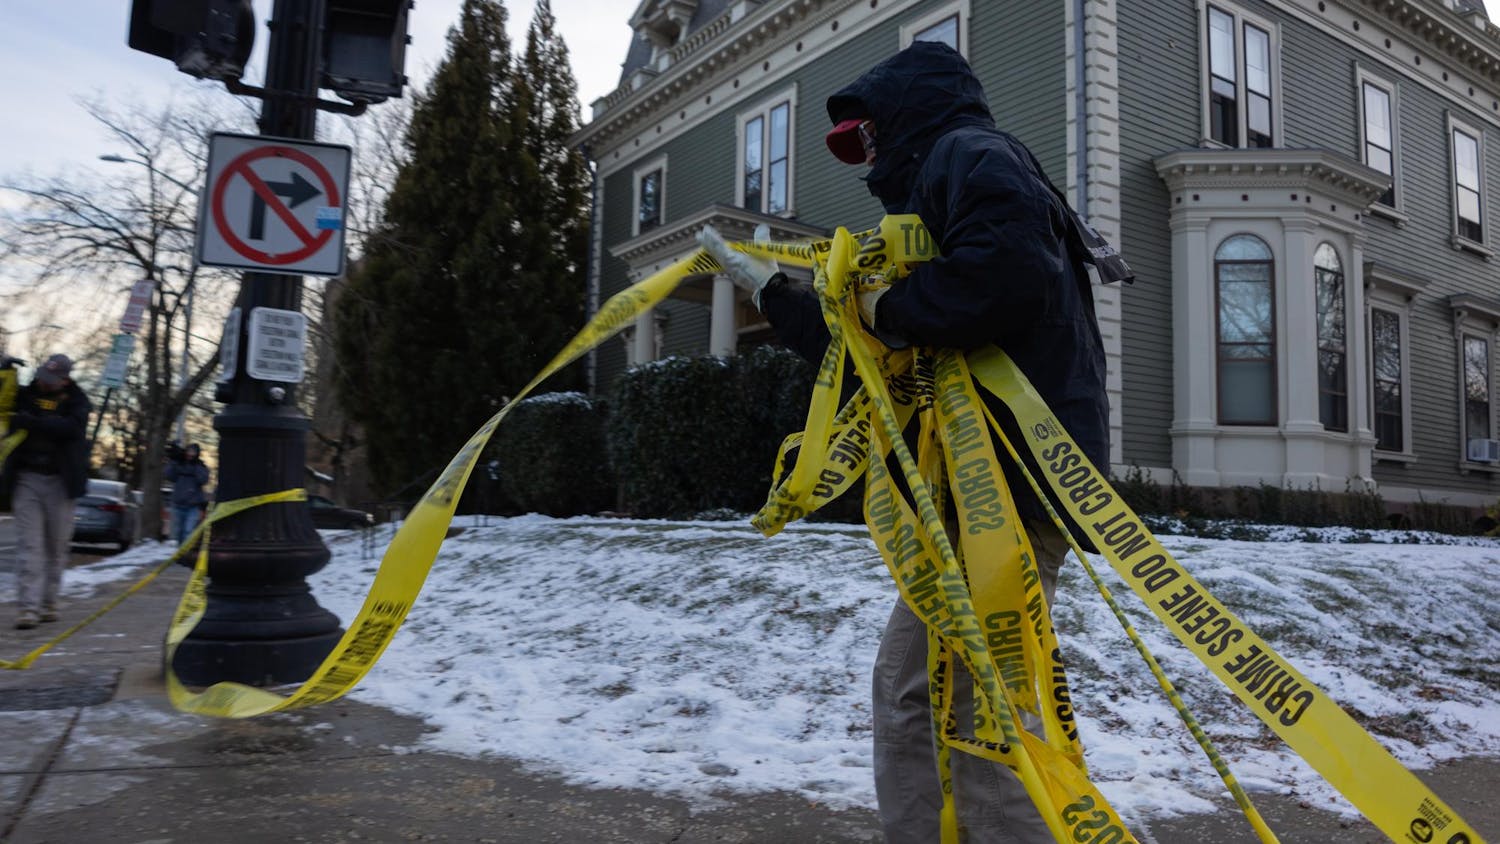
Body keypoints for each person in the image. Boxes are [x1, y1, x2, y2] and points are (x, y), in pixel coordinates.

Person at [698, 41, 1128, 843]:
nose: (863, 156)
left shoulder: (971, 154)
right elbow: (869, 347)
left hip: (1006, 488)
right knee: (921, 693)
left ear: (903, 112)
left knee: (960, 701)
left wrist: (888, 307)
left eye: (866, 135)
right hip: (975, 495)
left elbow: (1002, 278)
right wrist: (773, 292)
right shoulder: (940, 195)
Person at [3, 354, 92, 630]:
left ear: (64, 379)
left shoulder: (77, 401)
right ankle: (27, 608)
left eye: (52, 379)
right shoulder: (25, 394)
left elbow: (72, 428)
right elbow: (4, 404)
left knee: (56, 546)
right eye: (43, 375)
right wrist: (5, 372)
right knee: (30, 546)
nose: (45, 382)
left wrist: (33, 422)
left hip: (60, 483)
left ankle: (48, 603)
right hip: (27, 477)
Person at [165, 442, 210, 545]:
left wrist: (196, 465)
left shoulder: (200, 466)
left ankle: (185, 554)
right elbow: (169, 476)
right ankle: (180, 554)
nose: (190, 454)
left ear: (197, 453)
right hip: (178, 504)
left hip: (193, 506)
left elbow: (203, 480)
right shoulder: (179, 464)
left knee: (188, 531)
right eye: (189, 451)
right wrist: (174, 461)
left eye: (193, 452)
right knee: (178, 533)